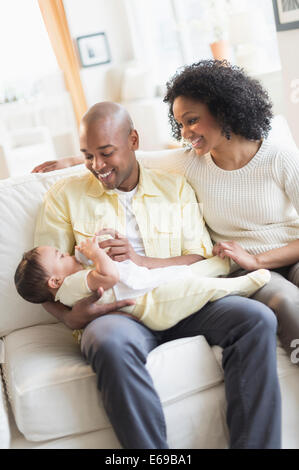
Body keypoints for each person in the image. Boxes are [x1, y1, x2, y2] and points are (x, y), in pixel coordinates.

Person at [33, 100, 281, 449]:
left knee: (256, 318)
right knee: (106, 342)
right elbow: (44, 281)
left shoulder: (175, 188)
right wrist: (71, 317)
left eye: (106, 153)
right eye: (87, 155)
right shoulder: (63, 197)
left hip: (183, 299)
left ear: (134, 140)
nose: (97, 166)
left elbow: (203, 259)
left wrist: (141, 260)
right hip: (119, 312)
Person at [35, 61, 299, 359]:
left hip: (284, 255)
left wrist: (258, 257)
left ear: (224, 110)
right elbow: (133, 155)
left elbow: (124, 149)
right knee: (286, 301)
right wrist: (74, 160)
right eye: (180, 124)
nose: (185, 133)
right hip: (255, 271)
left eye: (192, 120)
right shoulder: (191, 162)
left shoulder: (281, 159)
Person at [14, 237, 270, 333]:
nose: (67, 254)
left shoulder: (70, 286)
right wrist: (96, 255)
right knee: (194, 286)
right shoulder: (74, 284)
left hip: (151, 288)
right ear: (55, 281)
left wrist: (93, 248)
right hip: (152, 304)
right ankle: (240, 285)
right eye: (61, 255)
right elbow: (110, 276)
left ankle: (222, 265)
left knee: (187, 273)